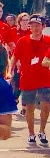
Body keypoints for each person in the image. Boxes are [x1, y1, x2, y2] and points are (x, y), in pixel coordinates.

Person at [11, 15, 50, 145]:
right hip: (27, 78)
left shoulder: (48, 40)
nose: (35, 27)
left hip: (45, 79)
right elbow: (15, 57)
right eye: (32, 25)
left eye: (38, 25)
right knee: (29, 107)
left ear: (43, 27)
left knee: (46, 105)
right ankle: (31, 133)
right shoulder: (23, 41)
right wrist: (10, 71)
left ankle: (42, 131)